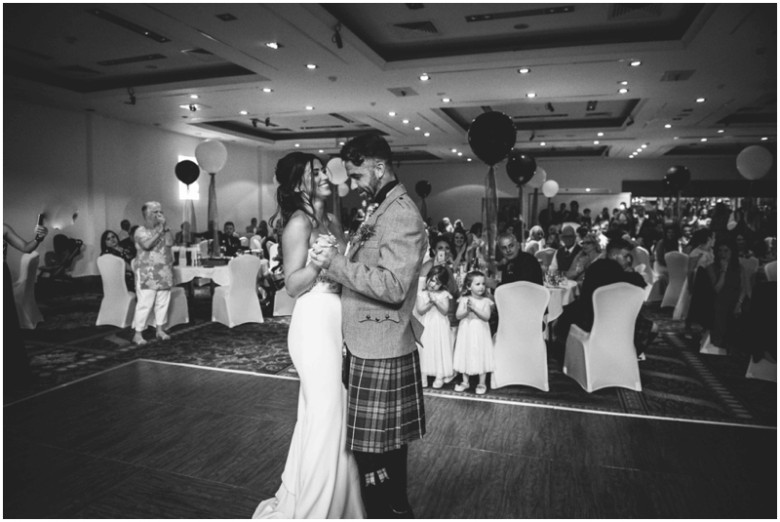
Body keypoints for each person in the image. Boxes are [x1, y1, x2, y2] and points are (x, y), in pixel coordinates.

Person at [310, 134, 427, 518]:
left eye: (359, 174)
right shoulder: (382, 208)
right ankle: (390, 510)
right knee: (377, 449)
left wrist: (337, 265)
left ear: (379, 167)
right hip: (368, 341)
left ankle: (391, 513)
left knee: (377, 451)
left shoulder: (402, 213)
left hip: (382, 345)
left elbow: (393, 287)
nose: (355, 183)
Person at [253, 152, 364, 519]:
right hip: (314, 319)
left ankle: (334, 503)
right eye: (314, 172)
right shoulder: (298, 223)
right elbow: (292, 285)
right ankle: (316, 510)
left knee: (331, 413)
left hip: (337, 317)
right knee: (325, 412)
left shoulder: (331, 218)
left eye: (321, 170)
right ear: (297, 181)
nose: (323, 175)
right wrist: (317, 263)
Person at [4, 221, 48, 393]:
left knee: (6, 324)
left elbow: (26, 247)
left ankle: (13, 374)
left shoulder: (3, 228)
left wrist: (39, 237)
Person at [131, 202, 175, 345]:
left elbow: (169, 243)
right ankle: (138, 333)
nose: (159, 214)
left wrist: (166, 228)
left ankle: (160, 329)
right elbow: (147, 245)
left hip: (164, 271)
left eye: (160, 211)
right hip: (146, 272)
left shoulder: (163, 229)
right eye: (155, 212)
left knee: (163, 302)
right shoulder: (140, 230)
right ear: (147, 215)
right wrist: (160, 231)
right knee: (145, 303)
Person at [453, 271, 495, 395]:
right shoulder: (464, 299)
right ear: (468, 286)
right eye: (477, 284)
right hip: (467, 331)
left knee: (481, 352)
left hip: (480, 331)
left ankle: (482, 382)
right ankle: (465, 381)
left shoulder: (486, 301)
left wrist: (475, 309)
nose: (481, 286)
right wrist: (467, 310)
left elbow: (486, 317)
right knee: (466, 352)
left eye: (483, 284)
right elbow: (458, 315)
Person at [416, 265, 455, 389]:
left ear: (442, 285)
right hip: (426, 324)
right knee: (425, 348)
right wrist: (429, 302)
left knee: (439, 348)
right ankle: (423, 375)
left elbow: (444, 311)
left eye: (437, 283)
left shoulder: (444, 294)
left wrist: (436, 301)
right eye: (432, 280)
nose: (433, 284)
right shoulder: (422, 294)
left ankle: (439, 375)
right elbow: (420, 310)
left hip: (440, 325)